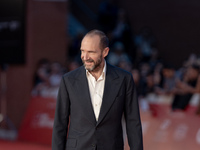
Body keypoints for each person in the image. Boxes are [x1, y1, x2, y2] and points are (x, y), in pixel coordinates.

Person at [52, 29, 143, 150]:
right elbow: (60, 124)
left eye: (91, 52)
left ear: (105, 52)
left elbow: (133, 122)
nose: (85, 57)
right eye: (82, 51)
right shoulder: (69, 80)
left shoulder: (123, 79)